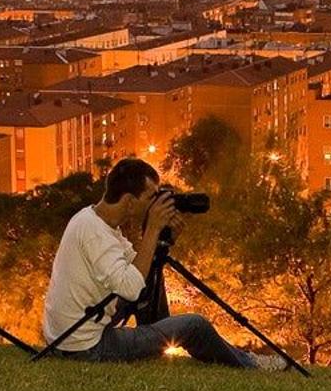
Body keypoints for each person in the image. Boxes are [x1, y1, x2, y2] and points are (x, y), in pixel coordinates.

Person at [42, 157, 285, 370]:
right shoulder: (95, 233)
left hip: (67, 335)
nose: (155, 204)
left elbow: (139, 267)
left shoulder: (92, 219)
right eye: (151, 197)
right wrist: (153, 230)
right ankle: (252, 364)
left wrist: (163, 240)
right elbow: (130, 287)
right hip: (86, 347)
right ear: (129, 200)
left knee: (147, 279)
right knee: (194, 325)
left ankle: (157, 335)